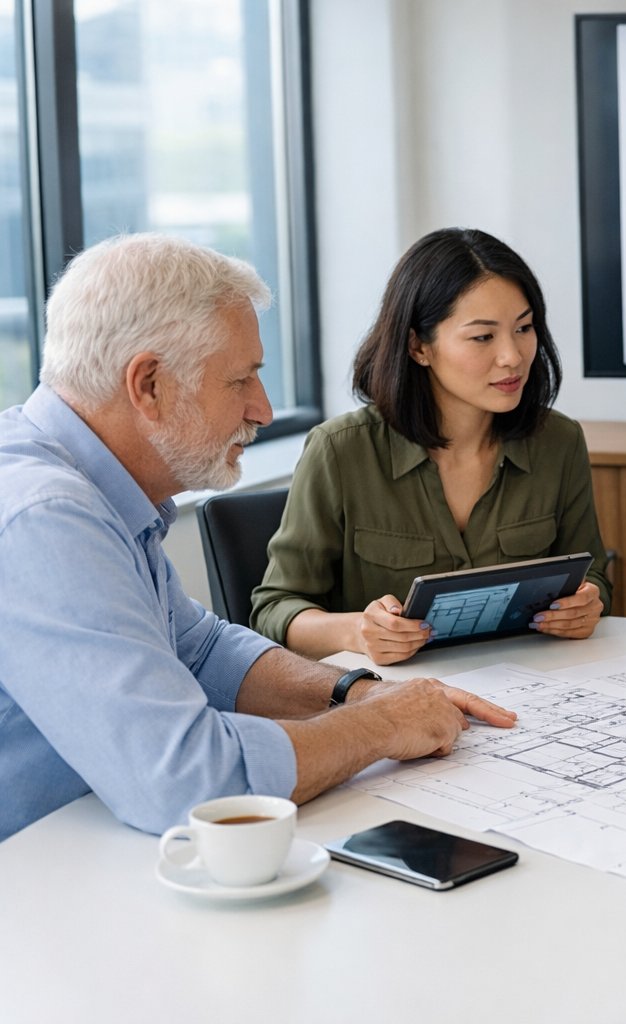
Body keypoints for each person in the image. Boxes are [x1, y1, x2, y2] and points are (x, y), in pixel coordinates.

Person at [0, 233, 518, 842]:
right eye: (241, 380)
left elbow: (200, 651)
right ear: (148, 385)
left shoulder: (101, 490)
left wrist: (357, 694)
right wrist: (380, 729)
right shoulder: (45, 517)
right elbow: (185, 781)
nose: (264, 409)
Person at [251, 228, 611, 664]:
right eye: (483, 337)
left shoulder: (559, 441)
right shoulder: (340, 450)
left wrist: (589, 602)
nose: (513, 356)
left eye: (524, 327)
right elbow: (274, 610)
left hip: (534, 690)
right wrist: (356, 631)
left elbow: (593, 575)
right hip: (391, 703)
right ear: (418, 346)